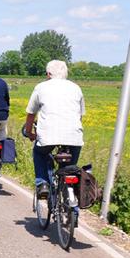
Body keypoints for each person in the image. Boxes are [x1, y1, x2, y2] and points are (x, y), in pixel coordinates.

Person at [24, 60, 85, 200]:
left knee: (39, 153)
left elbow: (31, 113)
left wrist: (29, 132)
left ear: (48, 74)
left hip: (47, 137)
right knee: (70, 169)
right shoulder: (76, 88)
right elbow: (79, 116)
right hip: (74, 138)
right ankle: (72, 207)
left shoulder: (41, 87)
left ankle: (42, 183)